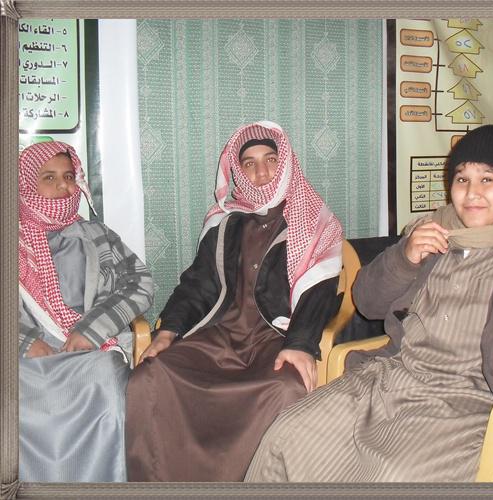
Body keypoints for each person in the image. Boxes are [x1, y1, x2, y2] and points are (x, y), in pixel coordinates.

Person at [245, 124, 493, 482]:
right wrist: (405, 257)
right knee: (287, 434)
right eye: (462, 179)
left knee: (392, 476)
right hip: (396, 376)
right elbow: (367, 303)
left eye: (487, 179)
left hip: (477, 400)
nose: (472, 193)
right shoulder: (433, 232)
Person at [125, 120, 343, 482]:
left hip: (276, 339)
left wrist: (301, 344)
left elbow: (319, 290)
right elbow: (199, 284)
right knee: (148, 376)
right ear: (238, 171)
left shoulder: (314, 221)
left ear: (286, 162)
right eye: (249, 163)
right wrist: (168, 331)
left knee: (286, 389)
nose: (262, 172)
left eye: (271, 160)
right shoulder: (224, 223)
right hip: (219, 336)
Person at [18, 141, 154, 482]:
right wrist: (25, 341)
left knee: (104, 378)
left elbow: (140, 283)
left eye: (68, 177)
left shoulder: (96, 234)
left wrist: (90, 331)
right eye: (49, 178)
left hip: (92, 347)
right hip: (26, 354)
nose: (64, 186)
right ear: (26, 184)